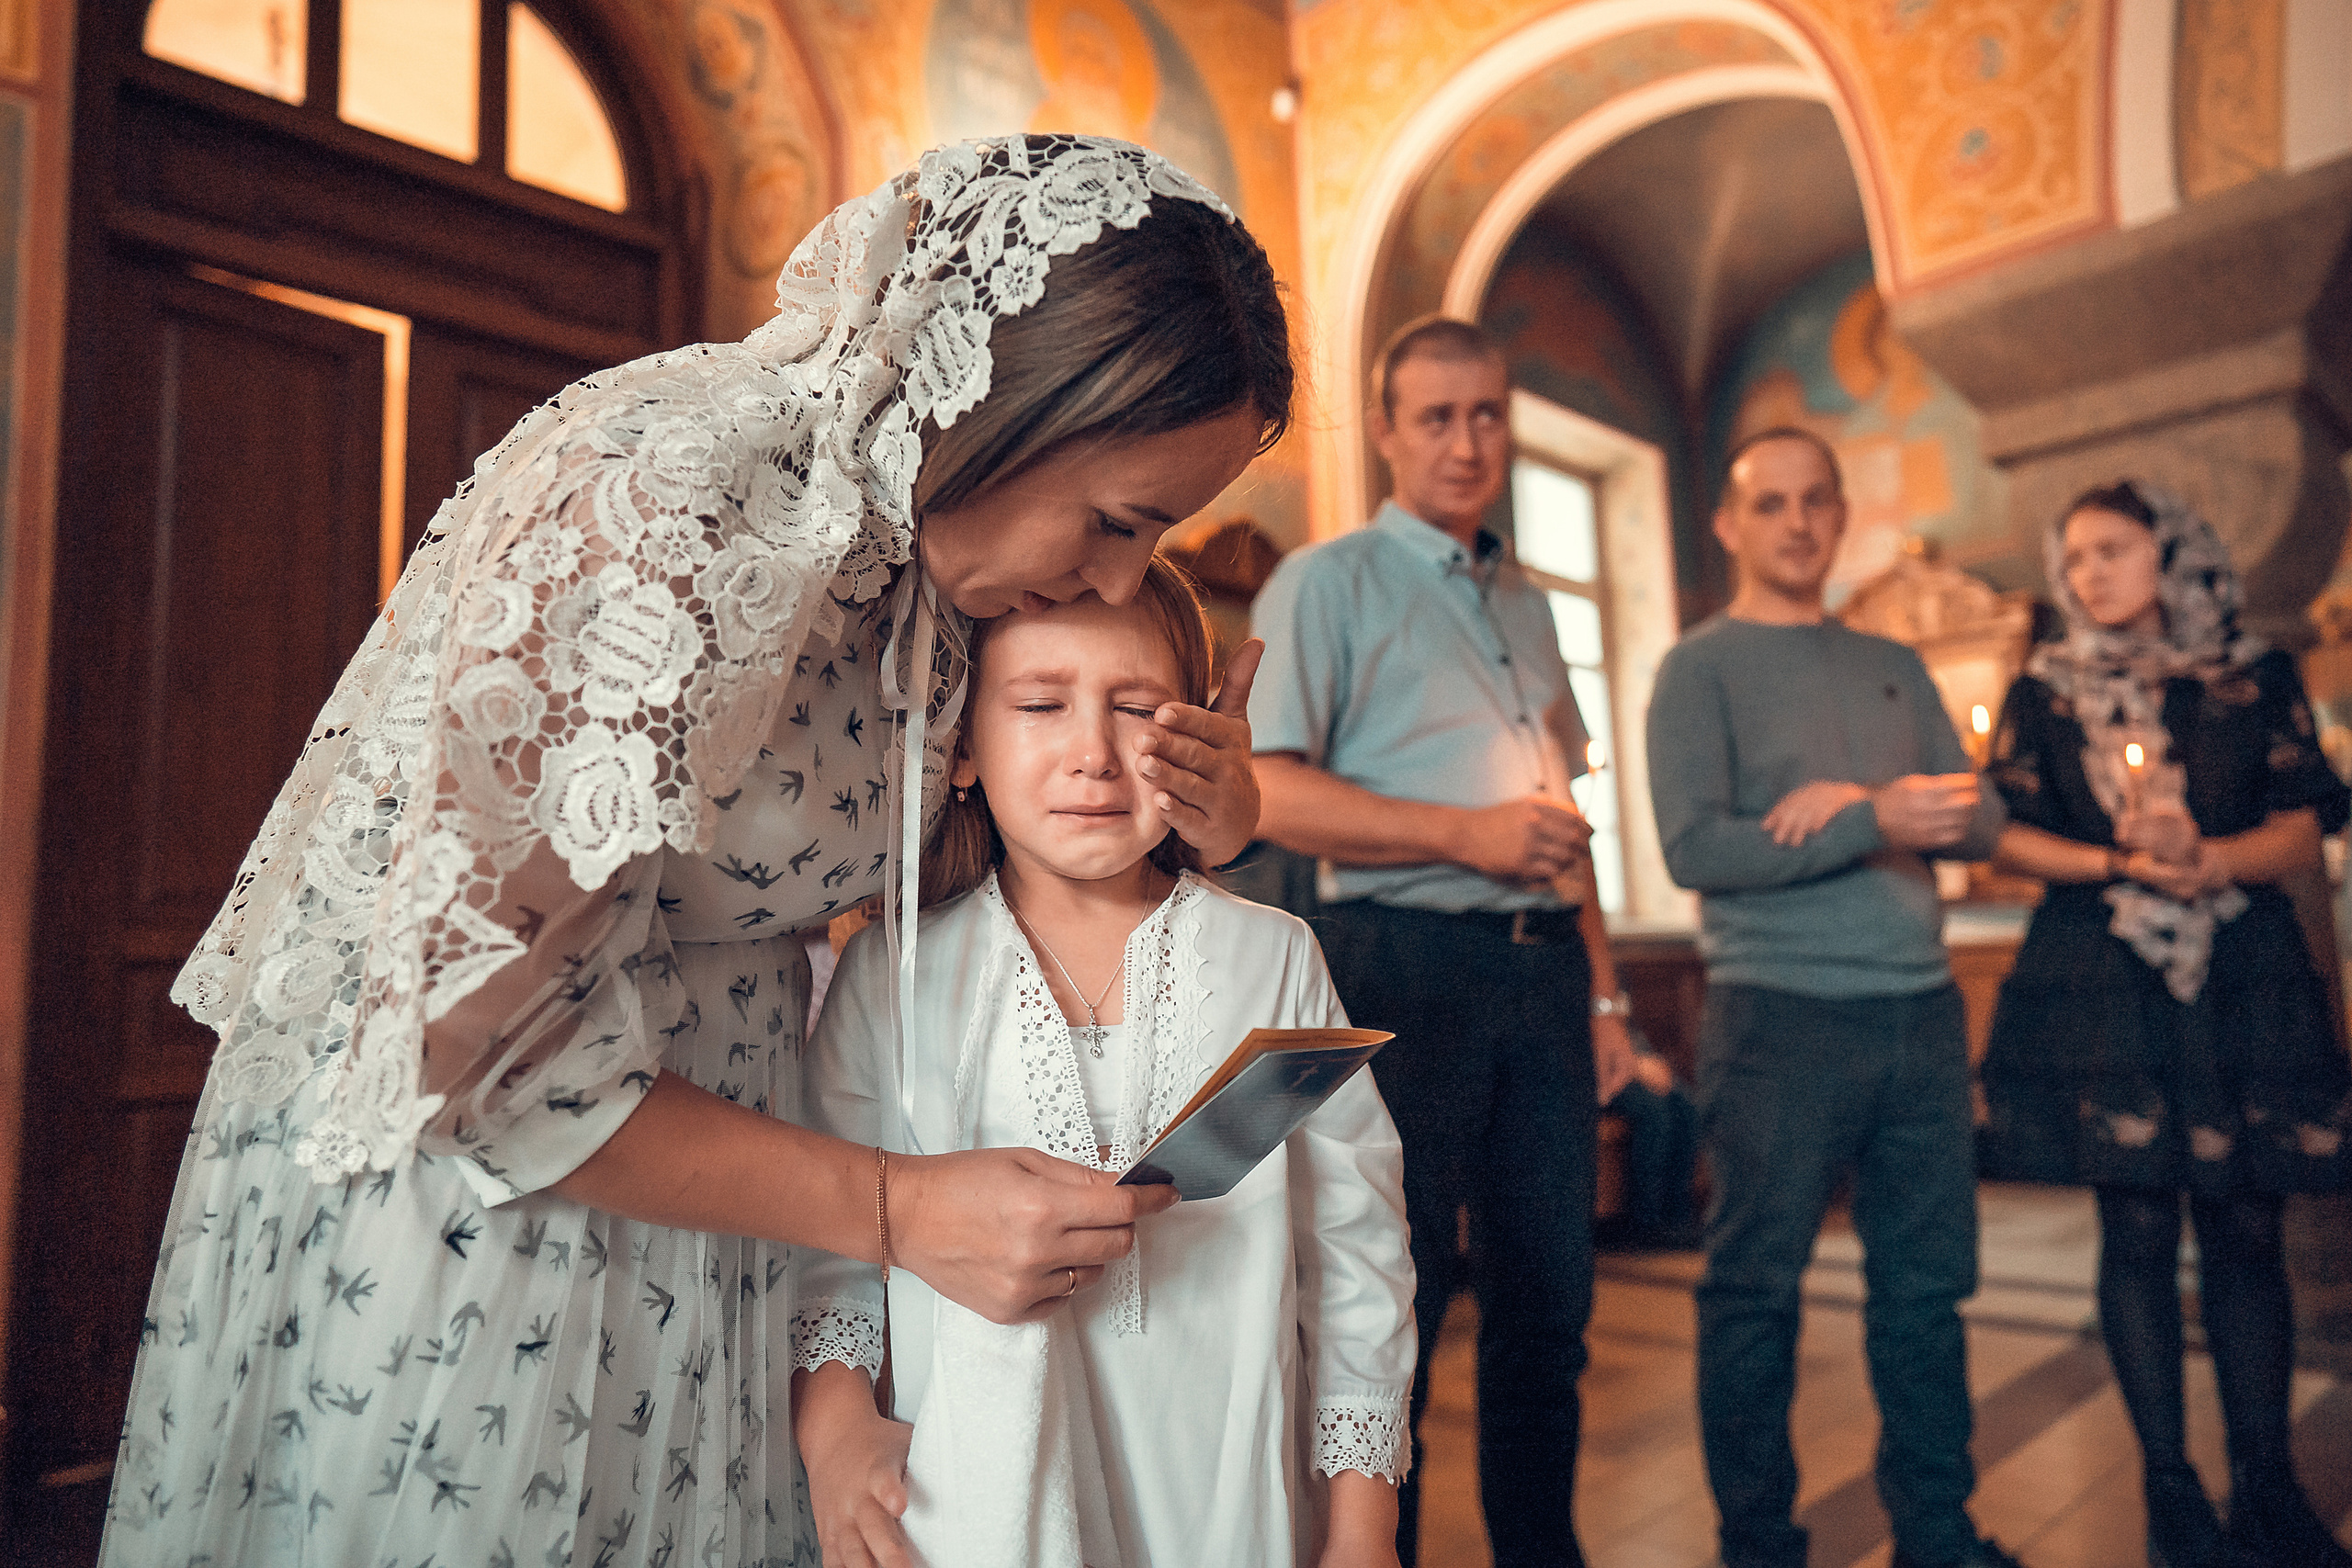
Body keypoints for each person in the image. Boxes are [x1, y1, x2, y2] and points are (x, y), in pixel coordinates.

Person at [101, 136, 1287, 1567]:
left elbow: (969, 874)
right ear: (1000, 399)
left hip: (730, 1192)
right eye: (1118, 517)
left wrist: (1205, 819)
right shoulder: (662, 490)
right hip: (501, 1199)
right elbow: (483, 1047)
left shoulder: (924, 570)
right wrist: (903, 1206)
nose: (1115, 576)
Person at [791, 559, 1415, 1568]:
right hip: (970, 1502)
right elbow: (832, 1255)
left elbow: (1355, 1257)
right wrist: (835, 1431)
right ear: (962, 748)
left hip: (1228, 1501)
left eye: (1137, 711)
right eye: (1041, 703)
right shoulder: (891, 975)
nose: (1093, 754)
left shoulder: (1274, 959)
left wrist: (1361, 1523)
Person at [1249, 315, 1636, 1568]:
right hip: (1394, 960)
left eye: (1487, 414)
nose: (1467, 441)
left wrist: (1611, 995)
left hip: (1545, 972)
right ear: (1386, 431)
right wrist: (1463, 835)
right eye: (1437, 416)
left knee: (1547, 1303)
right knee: (1388, 1300)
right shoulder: (1327, 579)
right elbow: (1266, 789)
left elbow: (1562, 817)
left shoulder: (1523, 597)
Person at [1645, 427, 2027, 1568]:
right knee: (1755, 1289)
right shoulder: (1697, 667)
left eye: (1817, 501)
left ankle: (1937, 1535)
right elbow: (1692, 848)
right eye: (1772, 504)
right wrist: (1878, 818)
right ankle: (1759, 1545)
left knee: (1925, 1291)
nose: (1798, 522)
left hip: (1918, 1013)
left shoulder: (1893, 665)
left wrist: (1860, 797)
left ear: (1838, 514)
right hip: (1778, 1018)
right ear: (1730, 522)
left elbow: (1984, 815)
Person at [1978, 480, 2352, 1568]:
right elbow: (2005, 836)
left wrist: (2209, 863)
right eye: (2073, 557)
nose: (2088, 574)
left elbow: (2301, 832)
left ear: (2171, 555)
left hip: (2240, 970)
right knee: (2136, 1232)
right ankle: (2169, 1496)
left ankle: (2267, 1490)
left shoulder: (2251, 676)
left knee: (2243, 1226)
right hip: (2104, 979)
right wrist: (2119, 863)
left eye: (2111, 549)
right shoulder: (2042, 692)